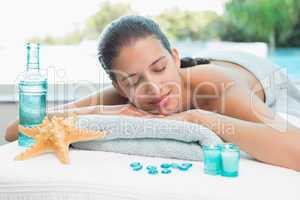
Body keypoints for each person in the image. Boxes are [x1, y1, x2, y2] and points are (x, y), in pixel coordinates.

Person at [5, 15, 300, 171]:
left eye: (159, 68)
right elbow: (15, 130)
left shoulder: (217, 89)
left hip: (255, 72)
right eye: (133, 81)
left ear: (174, 57)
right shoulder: (124, 92)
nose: (153, 88)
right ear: (120, 86)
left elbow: (295, 150)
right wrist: (105, 110)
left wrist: (201, 118)